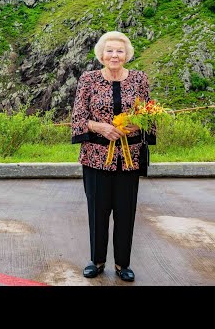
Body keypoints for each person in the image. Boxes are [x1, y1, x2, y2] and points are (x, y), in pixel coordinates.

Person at [71, 31, 156, 283]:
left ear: (127, 54)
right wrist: (101, 127)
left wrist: (137, 125)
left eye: (119, 51)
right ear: (101, 54)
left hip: (129, 158)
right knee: (97, 211)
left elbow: (149, 114)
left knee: (125, 211)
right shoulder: (88, 80)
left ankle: (123, 264)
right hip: (95, 158)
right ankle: (96, 261)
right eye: (109, 50)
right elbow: (77, 117)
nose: (114, 55)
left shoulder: (140, 79)